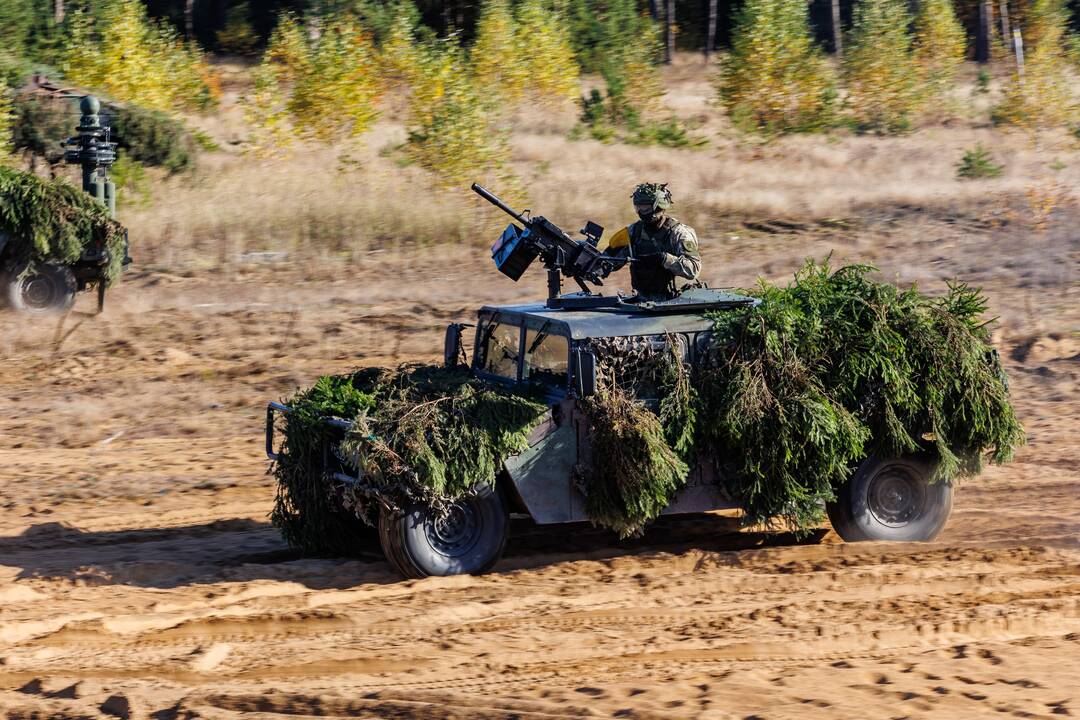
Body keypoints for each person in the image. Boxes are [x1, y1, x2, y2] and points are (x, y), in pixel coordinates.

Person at [603, 183, 702, 300]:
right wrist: (586, 260)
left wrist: (665, 259)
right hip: (643, 300)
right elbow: (609, 261)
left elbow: (694, 269)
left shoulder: (679, 234)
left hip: (675, 301)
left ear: (659, 206)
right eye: (638, 207)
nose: (642, 211)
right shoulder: (634, 232)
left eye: (646, 208)